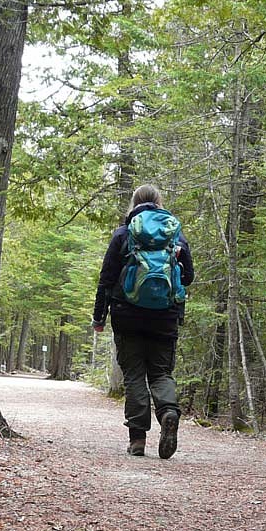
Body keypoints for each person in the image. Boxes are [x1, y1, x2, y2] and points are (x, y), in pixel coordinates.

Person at [92, 184, 194, 458]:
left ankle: (137, 441)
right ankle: (168, 412)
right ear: (159, 202)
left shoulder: (124, 234)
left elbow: (107, 279)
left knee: (134, 375)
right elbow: (187, 278)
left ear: (134, 203)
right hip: (165, 317)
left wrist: (99, 317)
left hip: (127, 316)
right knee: (161, 373)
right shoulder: (175, 236)